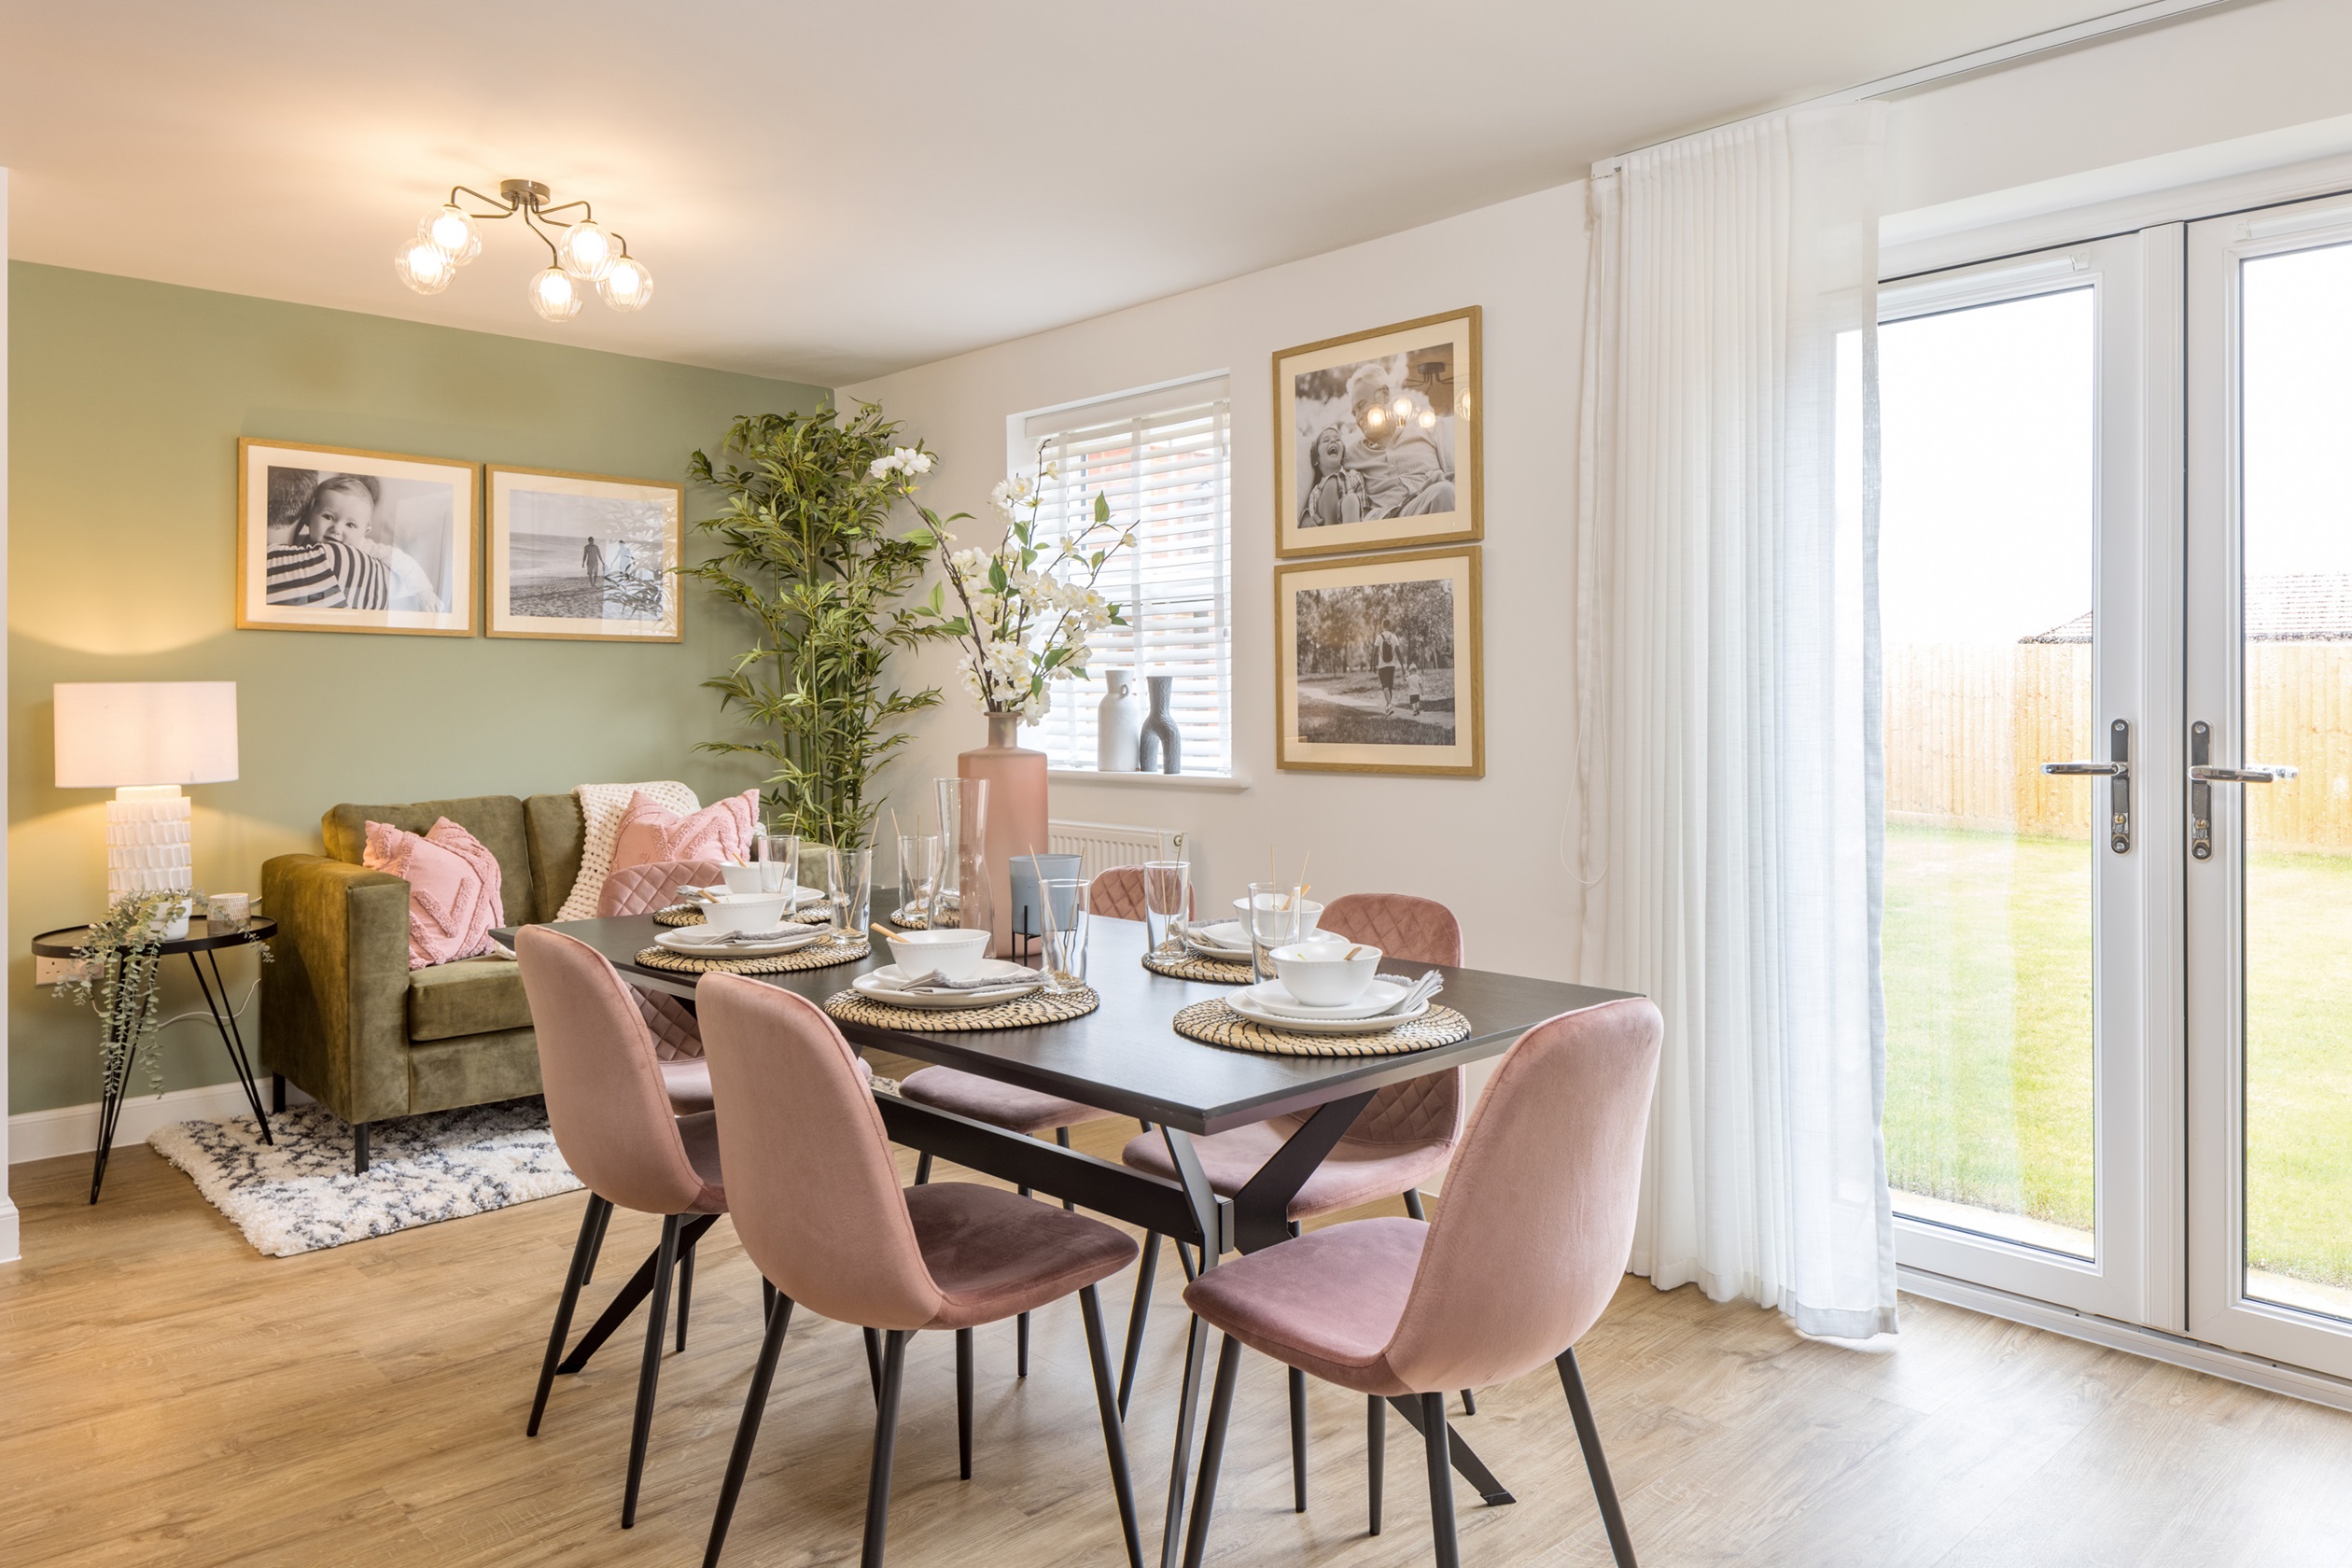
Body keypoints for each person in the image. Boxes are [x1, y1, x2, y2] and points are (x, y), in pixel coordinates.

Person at [293, 474, 444, 612]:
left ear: (364, 532)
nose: (337, 529)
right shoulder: (296, 543)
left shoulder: (365, 548)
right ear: (309, 515)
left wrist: (424, 592)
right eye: (328, 517)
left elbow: (402, 561)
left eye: (350, 525)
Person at [1343, 361, 1455, 519]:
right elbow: (1328, 485)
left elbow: (1457, 480)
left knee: (1445, 491)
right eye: (1354, 413)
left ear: (1385, 394)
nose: (1359, 417)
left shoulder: (1429, 427)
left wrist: (1440, 481)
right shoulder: (1350, 454)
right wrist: (1307, 516)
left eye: (1362, 405)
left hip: (1430, 508)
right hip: (1386, 522)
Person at [1298, 423, 1368, 527]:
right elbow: (1316, 521)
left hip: (1352, 523)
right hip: (1327, 525)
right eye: (1326, 440)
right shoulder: (1316, 491)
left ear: (1343, 454)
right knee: (1331, 482)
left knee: (1351, 500)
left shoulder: (1354, 476)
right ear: (1316, 459)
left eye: (1338, 439)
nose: (1333, 441)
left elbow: (1364, 510)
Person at [1373, 624, 1405, 717]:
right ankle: (1388, 706)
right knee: (1390, 687)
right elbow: (1398, 652)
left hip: (1382, 666)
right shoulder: (1394, 637)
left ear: (1383, 626)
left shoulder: (1379, 637)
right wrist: (1402, 666)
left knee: (1385, 685)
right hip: (1392, 665)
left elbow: (1374, 652)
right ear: (1390, 626)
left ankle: (1389, 705)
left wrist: (1373, 665)